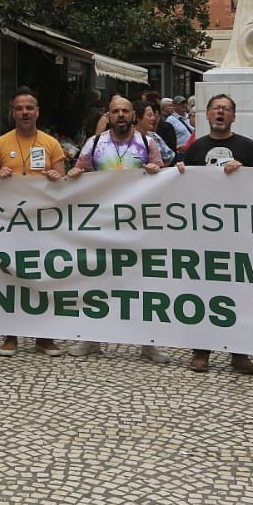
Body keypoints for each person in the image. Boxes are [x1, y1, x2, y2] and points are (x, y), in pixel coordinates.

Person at [65, 95, 169, 364]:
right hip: (102, 224)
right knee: (96, 281)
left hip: (139, 227)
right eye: (115, 111)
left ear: (133, 115)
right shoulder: (95, 142)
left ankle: (149, 343)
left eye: (125, 111)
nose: (120, 115)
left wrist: (155, 169)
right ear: (108, 116)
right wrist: (76, 173)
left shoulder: (148, 142)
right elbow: (80, 171)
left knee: (144, 283)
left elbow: (162, 173)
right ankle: (91, 339)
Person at [178, 94, 253, 376]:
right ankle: (201, 350)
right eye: (216, 108)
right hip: (202, 234)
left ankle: (239, 353)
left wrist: (245, 172)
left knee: (237, 293)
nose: (220, 113)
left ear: (233, 117)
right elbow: (183, 185)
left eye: (226, 109)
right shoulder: (196, 148)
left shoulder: (246, 147)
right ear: (208, 115)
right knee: (204, 292)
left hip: (236, 233)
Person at [0, 89, 65, 358]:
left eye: (29, 108)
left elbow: (64, 185)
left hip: (43, 225)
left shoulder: (51, 144)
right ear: (12, 113)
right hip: (10, 224)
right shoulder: (1, 144)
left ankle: (44, 336)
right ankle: (10, 334)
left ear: (37, 111)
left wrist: (54, 176)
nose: (25, 112)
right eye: (19, 108)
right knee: (10, 278)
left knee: (44, 278)